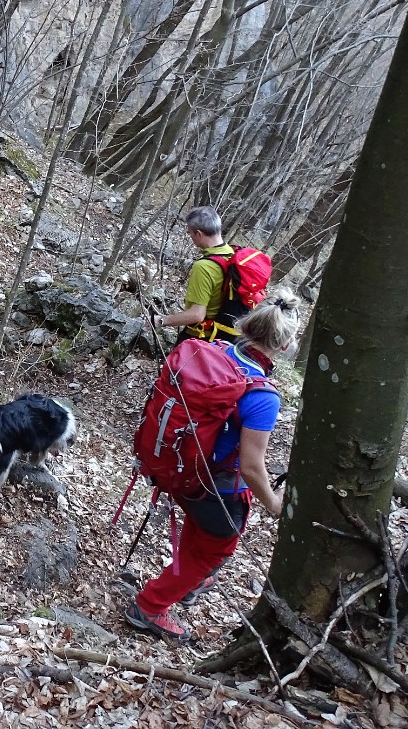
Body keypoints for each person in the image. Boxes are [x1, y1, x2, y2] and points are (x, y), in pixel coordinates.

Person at [124, 289, 301, 640]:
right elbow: (252, 468)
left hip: (180, 471)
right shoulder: (262, 396)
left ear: (248, 325)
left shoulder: (214, 353)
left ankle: (189, 581)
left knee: (202, 535)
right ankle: (149, 607)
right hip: (214, 487)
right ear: (282, 347)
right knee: (215, 548)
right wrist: (276, 505)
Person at [149, 206, 234, 342]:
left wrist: (162, 320)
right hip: (223, 338)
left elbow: (197, 314)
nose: (191, 238)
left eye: (190, 233)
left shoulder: (205, 267)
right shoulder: (232, 254)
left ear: (199, 234)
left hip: (200, 337)